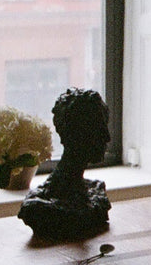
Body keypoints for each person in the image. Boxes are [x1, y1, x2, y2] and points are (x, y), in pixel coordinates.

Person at [18, 87, 111, 240]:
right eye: (97, 129)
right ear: (75, 134)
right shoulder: (38, 208)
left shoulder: (95, 191)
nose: (107, 138)